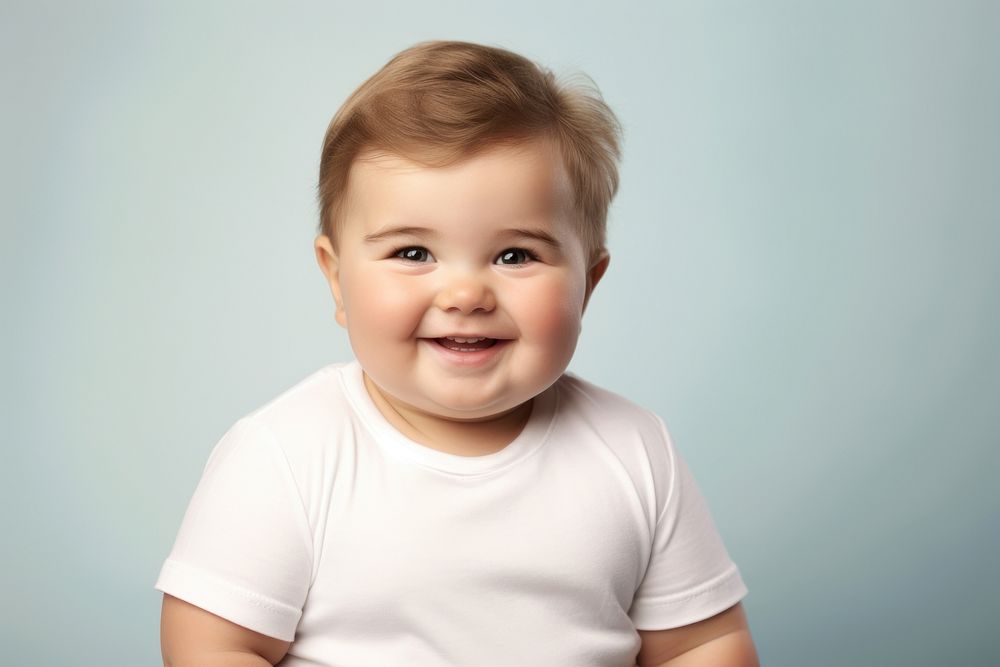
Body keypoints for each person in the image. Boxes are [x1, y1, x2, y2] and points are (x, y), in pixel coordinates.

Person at [155, 40, 758, 666]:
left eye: (515, 255)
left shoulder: (634, 452)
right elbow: (211, 646)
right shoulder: (286, 456)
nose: (466, 293)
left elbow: (702, 643)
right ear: (337, 280)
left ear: (589, 284)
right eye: (413, 253)